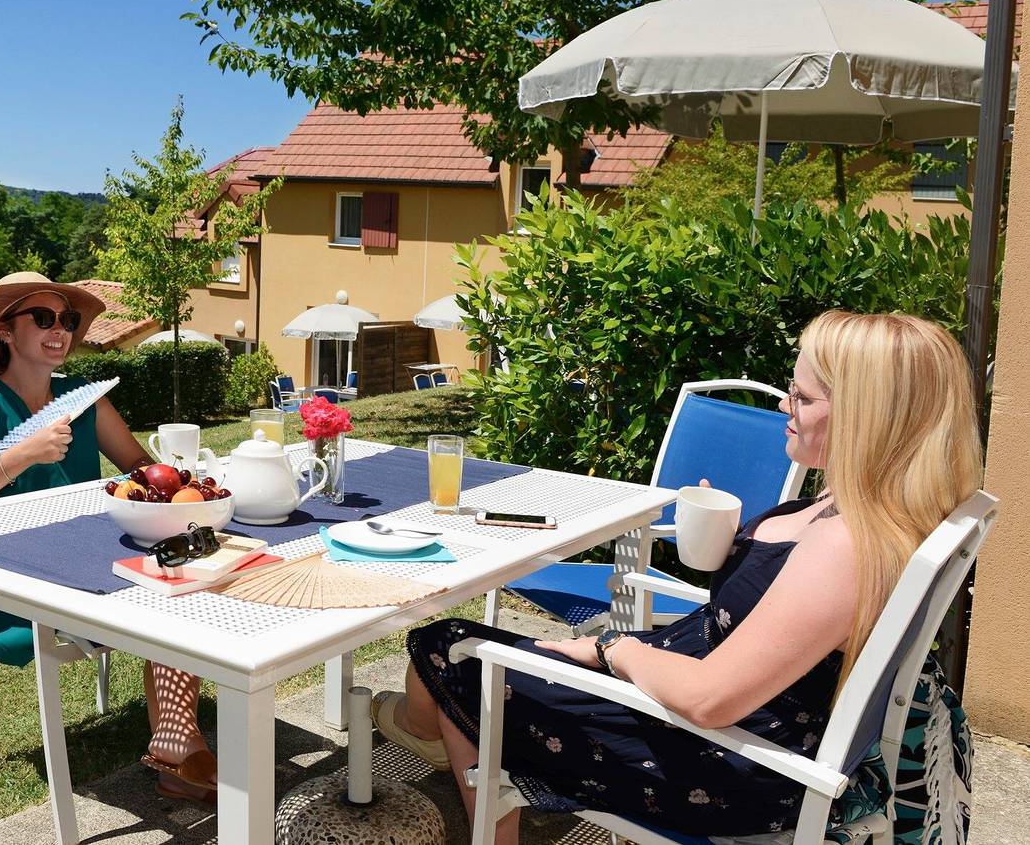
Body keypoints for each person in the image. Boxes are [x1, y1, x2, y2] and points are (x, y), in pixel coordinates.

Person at [373, 311, 982, 841]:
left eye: (801, 398)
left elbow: (710, 698)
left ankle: (432, 729)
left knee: (452, 651)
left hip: (720, 758)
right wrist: (742, 545)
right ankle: (448, 728)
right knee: (477, 669)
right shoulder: (865, 507)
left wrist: (611, 649)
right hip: (710, 700)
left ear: (865, 418)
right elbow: (781, 613)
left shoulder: (847, 546)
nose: (783, 406)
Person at [0, 271, 217, 804]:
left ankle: (177, 740)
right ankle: (178, 743)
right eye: (41, 318)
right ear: (5, 333)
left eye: (67, 320)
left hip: (88, 557)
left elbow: (144, 471)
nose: (59, 329)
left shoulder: (85, 401)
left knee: (179, 575)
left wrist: (184, 485)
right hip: (12, 578)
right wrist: (23, 454)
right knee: (166, 589)